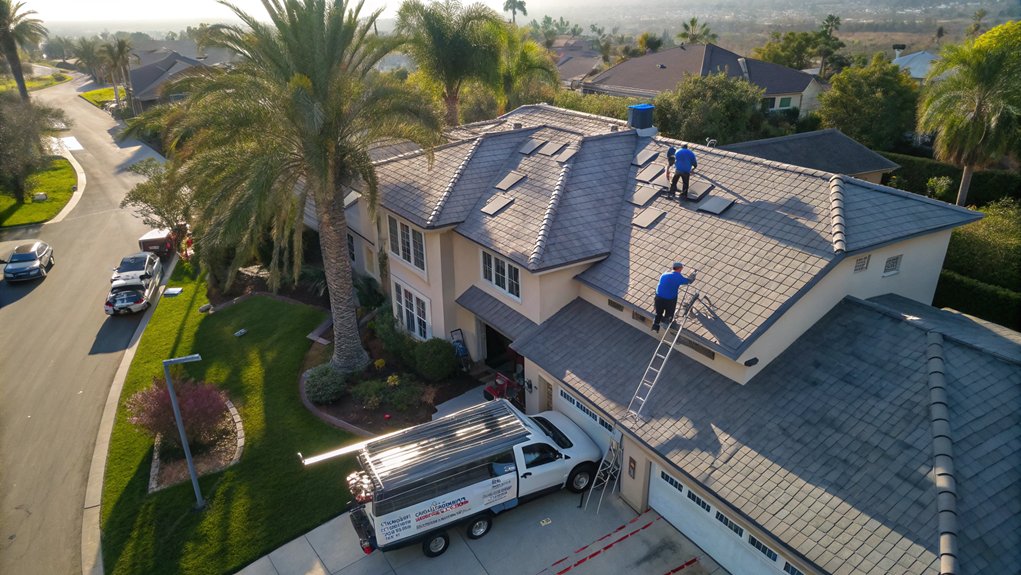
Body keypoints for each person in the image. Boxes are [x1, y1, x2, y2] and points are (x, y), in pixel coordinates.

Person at [652, 262, 694, 332]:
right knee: (669, 313)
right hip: (669, 299)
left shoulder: (664, 274)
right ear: (680, 269)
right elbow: (688, 281)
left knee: (658, 312)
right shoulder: (678, 277)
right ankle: (667, 322)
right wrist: (693, 275)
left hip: (658, 297)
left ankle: (655, 326)